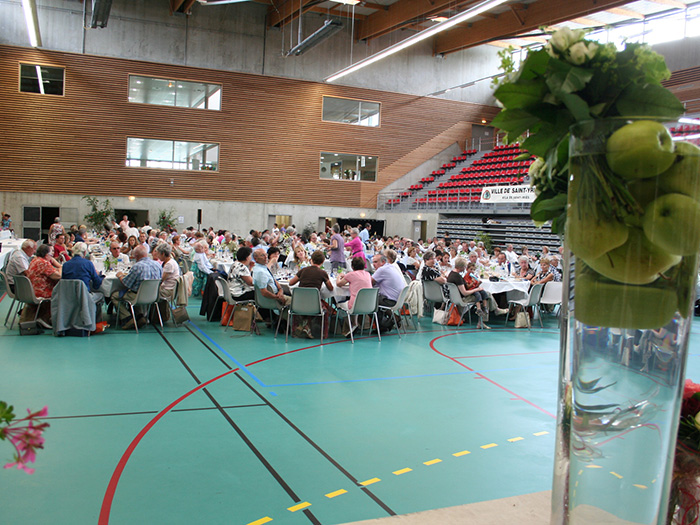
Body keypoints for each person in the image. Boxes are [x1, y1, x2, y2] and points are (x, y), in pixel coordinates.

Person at [111, 245, 163, 329]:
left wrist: (120, 276)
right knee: (136, 290)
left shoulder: (137, 266)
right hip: (154, 296)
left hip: (138, 296)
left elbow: (126, 283)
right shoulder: (157, 265)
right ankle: (140, 316)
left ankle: (127, 318)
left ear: (136, 256)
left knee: (115, 296)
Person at [288, 250, 334, 338]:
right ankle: (322, 333)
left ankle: (304, 326)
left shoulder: (303, 270)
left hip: (299, 303)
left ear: (311, 260)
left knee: (307, 303)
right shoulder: (322, 273)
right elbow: (331, 288)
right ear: (323, 262)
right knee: (326, 308)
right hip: (314, 304)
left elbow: (291, 283)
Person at [22, 244, 61, 328]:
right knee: (61, 293)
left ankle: (45, 317)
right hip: (41, 292)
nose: (51, 257)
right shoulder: (44, 263)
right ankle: (53, 319)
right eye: (51, 255)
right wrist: (60, 267)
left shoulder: (35, 260)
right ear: (46, 255)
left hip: (32, 290)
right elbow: (58, 276)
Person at [336, 256, 373, 336]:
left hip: (355, 304)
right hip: (369, 305)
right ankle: (355, 324)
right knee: (357, 302)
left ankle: (352, 324)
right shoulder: (368, 274)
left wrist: (339, 277)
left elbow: (339, 284)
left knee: (338, 305)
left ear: (352, 266)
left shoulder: (350, 275)